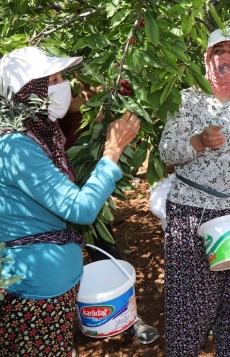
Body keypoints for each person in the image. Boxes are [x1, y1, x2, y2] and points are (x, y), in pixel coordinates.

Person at [0, 46, 140, 356]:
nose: (66, 86)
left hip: (40, 285)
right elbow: (81, 209)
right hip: (34, 289)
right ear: (29, 90)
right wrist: (112, 151)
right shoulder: (15, 147)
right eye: (56, 79)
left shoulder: (31, 133)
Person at [158, 28, 230, 357]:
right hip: (191, 215)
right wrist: (197, 142)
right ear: (206, 59)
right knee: (190, 307)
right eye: (218, 50)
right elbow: (167, 151)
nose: (226, 56)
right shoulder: (187, 101)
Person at [57, 83, 160, 345]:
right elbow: (75, 103)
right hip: (56, 192)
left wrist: (106, 100)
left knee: (105, 250)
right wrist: (91, 95)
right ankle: (66, 328)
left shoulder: (95, 101)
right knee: (60, 264)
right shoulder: (58, 102)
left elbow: (100, 121)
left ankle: (128, 316)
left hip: (86, 183)